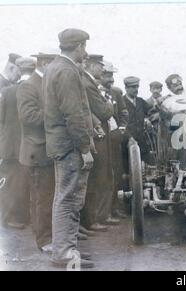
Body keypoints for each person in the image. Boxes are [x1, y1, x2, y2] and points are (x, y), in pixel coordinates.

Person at [43, 28, 95, 268]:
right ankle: (64, 253)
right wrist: (85, 148)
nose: (86, 51)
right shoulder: (66, 70)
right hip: (70, 146)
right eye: (84, 46)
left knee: (64, 198)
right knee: (69, 200)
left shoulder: (54, 67)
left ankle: (66, 249)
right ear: (79, 46)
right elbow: (73, 114)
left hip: (61, 144)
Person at [16, 53, 56, 252]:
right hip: (37, 151)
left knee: (45, 197)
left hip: (46, 151)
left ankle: (45, 235)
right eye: (54, 63)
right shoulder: (28, 86)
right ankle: (44, 240)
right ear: (45, 63)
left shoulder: (45, 83)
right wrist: (56, 115)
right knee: (43, 198)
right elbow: (28, 117)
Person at [81, 54, 116, 232]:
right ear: (89, 65)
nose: (102, 69)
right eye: (99, 65)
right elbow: (103, 112)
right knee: (97, 177)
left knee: (102, 175)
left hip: (100, 134)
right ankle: (92, 220)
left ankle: (98, 217)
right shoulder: (87, 83)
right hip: (97, 136)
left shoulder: (89, 82)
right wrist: (110, 104)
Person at [0, 57, 35, 230]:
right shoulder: (33, 90)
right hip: (27, 145)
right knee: (22, 182)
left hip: (9, 145)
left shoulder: (6, 92)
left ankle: (11, 217)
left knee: (10, 183)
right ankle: (20, 217)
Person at [99, 61, 129, 219]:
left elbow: (124, 112)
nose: (110, 79)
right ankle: (103, 213)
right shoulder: (94, 91)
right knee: (103, 175)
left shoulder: (117, 92)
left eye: (112, 76)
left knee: (117, 174)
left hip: (115, 138)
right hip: (102, 139)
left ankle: (114, 208)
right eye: (107, 75)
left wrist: (122, 128)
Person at [123, 76, 153, 163]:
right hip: (127, 144)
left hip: (142, 142)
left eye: (137, 87)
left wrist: (148, 119)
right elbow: (119, 123)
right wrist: (129, 137)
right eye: (133, 87)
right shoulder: (121, 102)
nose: (136, 89)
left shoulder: (140, 101)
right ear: (126, 88)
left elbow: (151, 112)